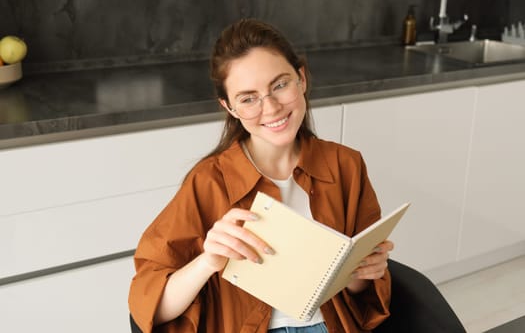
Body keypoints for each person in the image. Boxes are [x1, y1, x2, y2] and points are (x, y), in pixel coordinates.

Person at [128, 18, 393, 333]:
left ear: (302, 79)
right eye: (248, 98)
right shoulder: (207, 182)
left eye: (280, 84)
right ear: (229, 108)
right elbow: (152, 309)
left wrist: (363, 274)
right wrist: (208, 262)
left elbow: (362, 293)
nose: (271, 108)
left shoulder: (346, 165)